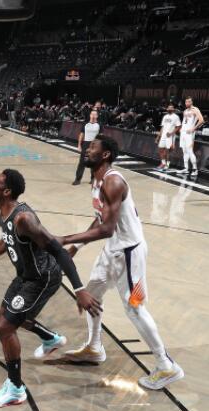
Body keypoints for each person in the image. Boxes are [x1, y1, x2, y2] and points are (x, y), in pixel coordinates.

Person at [0, 169, 101, 408]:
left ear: (7, 191)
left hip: (43, 278)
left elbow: (57, 250)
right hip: (25, 276)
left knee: (5, 327)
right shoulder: (3, 213)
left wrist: (79, 289)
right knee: (7, 316)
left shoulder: (23, 219)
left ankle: (15, 389)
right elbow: (6, 241)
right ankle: (50, 339)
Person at [60, 135, 184, 390]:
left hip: (130, 255)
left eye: (92, 147)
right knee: (91, 295)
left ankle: (166, 366)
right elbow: (100, 218)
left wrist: (64, 239)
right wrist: (75, 247)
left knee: (135, 308)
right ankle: (94, 347)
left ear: (105, 154)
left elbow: (107, 228)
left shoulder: (113, 181)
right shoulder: (96, 180)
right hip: (112, 250)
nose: (87, 150)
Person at [177, 96, 204, 176]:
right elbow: (184, 122)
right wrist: (181, 129)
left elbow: (201, 120)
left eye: (189, 101)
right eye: (186, 102)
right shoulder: (185, 111)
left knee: (190, 151)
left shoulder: (195, 109)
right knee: (184, 151)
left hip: (189, 133)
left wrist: (193, 129)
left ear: (192, 102)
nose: (187, 103)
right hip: (183, 133)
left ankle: (195, 170)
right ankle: (186, 168)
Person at [73, 109, 100, 185]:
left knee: (94, 163)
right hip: (86, 144)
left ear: (97, 116)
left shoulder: (99, 125)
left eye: (95, 114)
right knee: (82, 162)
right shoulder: (85, 124)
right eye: (92, 114)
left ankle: (93, 178)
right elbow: (81, 135)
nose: (93, 116)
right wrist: (79, 145)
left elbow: (101, 137)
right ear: (90, 115)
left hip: (95, 145)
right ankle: (77, 179)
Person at [155, 103, 181, 171]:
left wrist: (171, 133)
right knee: (160, 149)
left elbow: (178, 127)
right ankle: (163, 163)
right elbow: (162, 127)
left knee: (167, 151)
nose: (170, 108)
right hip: (163, 135)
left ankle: (167, 165)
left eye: (171, 107)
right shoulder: (165, 117)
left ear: (173, 109)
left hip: (170, 136)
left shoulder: (176, 117)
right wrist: (158, 137)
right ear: (167, 109)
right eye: (169, 107)